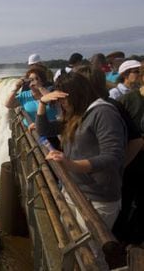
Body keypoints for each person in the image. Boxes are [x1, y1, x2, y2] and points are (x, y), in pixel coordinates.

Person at [36, 72, 127, 233]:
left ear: (77, 94)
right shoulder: (76, 114)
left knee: (91, 253)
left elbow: (113, 156)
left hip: (98, 198)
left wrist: (71, 165)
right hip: (74, 189)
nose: (61, 104)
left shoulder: (103, 113)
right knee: (72, 242)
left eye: (63, 98)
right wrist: (42, 103)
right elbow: (43, 130)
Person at [114, 66, 144, 245]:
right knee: (123, 203)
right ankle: (117, 243)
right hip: (129, 163)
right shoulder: (127, 101)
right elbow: (116, 133)